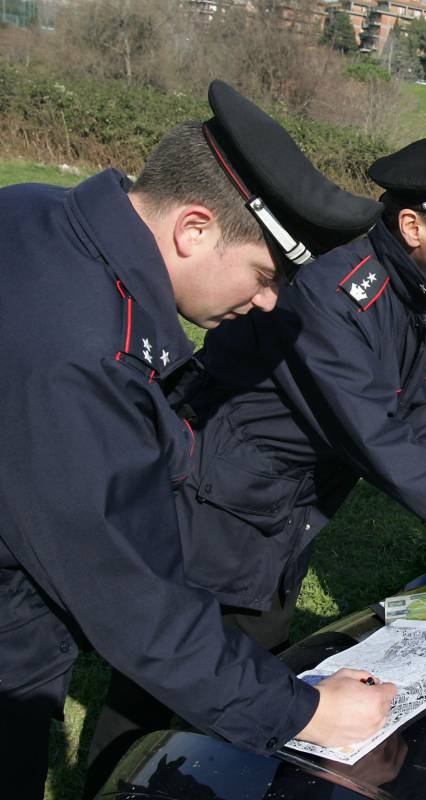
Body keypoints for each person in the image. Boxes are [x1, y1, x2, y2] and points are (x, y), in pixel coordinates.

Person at [84, 135, 426, 789]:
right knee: (157, 678)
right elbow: (374, 432)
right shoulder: (335, 290)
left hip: (280, 514)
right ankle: (113, 784)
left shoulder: (420, 288)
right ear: (412, 225)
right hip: (213, 505)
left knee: (252, 667)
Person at [0, 80, 397, 800]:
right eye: (265, 273)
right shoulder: (90, 356)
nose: (269, 300)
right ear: (193, 229)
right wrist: (304, 710)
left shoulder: (36, 210)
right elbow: (130, 595)